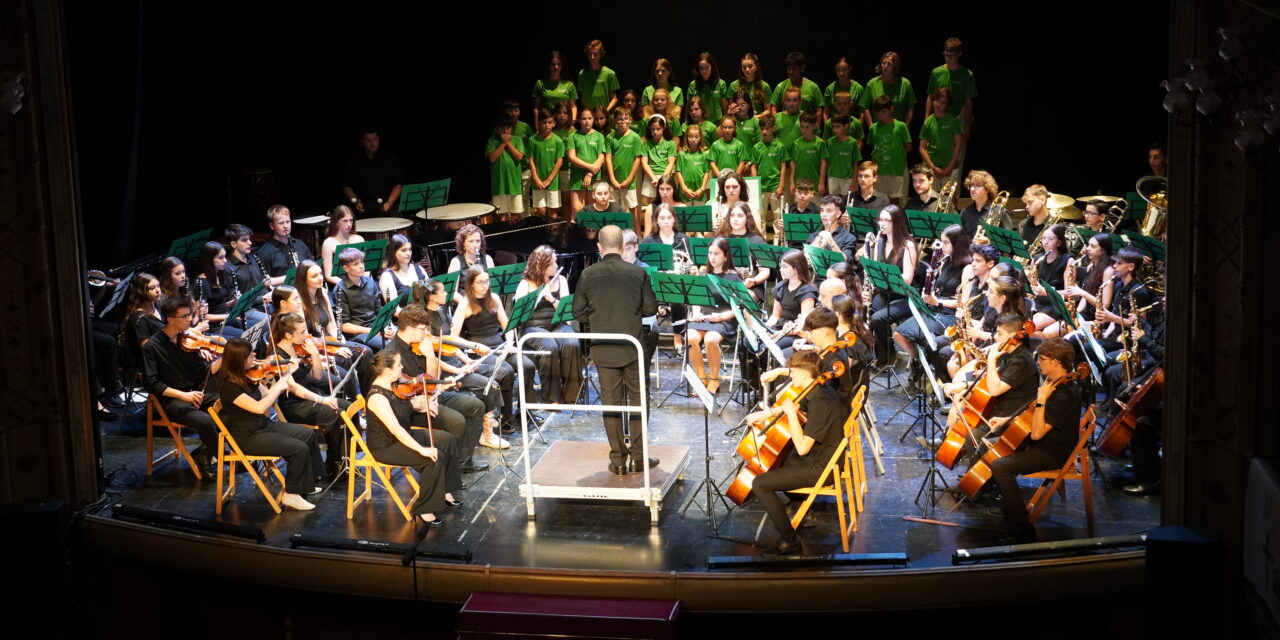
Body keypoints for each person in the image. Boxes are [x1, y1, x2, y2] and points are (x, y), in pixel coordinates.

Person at [572, 226, 659, 474]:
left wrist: (599, 314)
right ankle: (640, 458)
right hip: (632, 348)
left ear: (599, 247)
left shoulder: (588, 274)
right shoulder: (637, 273)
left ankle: (618, 461)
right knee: (638, 401)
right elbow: (650, 308)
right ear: (623, 247)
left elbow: (577, 312)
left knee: (611, 404)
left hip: (603, 349)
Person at [749, 350, 846, 555]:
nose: (790, 375)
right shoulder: (817, 388)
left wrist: (792, 415)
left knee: (760, 484)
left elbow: (802, 447)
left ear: (803, 372)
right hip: (820, 458)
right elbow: (794, 404)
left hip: (822, 467)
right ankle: (801, 505)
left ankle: (790, 541)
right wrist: (766, 414)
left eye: (792, 371)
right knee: (777, 461)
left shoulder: (820, 402)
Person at [988, 337, 1082, 543]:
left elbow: (1037, 434)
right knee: (994, 446)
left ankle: (1023, 530)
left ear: (1056, 362)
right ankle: (1007, 505)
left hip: (1053, 453)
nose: (1038, 362)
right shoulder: (1053, 383)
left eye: (1042, 359)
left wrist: (1041, 399)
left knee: (1001, 466)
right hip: (1042, 445)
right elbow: (1031, 412)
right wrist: (1007, 419)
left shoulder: (1066, 393)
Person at [215, 337, 323, 511]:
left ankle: (306, 484)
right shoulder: (228, 387)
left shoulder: (248, 376)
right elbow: (259, 407)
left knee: (307, 434)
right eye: (251, 355)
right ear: (240, 361)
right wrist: (282, 382)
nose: (255, 356)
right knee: (298, 448)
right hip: (248, 436)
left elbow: (267, 396)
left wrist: (285, 375)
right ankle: (291, 495)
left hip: (262, 426)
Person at [364, 349, 464, 525]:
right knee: (433, 458)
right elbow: (395, 429)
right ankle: (425, 510)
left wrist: (422, 404)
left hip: (404, 436)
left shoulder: (393, 386)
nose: (403, 369)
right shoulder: (377, 397)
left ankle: (446, 490)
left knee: (446, 439)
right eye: (399, 365)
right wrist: (422, 449)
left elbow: (406, 404)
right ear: (388, 370)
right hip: (387, 446)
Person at [385, 306, 492, 465]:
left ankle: (463, 462)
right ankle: (449, 468)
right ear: (409, 329)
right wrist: (429, 357)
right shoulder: (392, 354)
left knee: (476, 405)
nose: (426, 333)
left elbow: (433, 379)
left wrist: (430, 356)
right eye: (423, 329)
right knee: (456, 421)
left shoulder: (420, 343)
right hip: (413, 405)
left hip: (431, 395)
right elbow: (396, 397)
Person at [141, 296, 223, 474]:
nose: (190, 320)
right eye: (185, 316)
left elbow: (203, 372)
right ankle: (226, 457)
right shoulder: (151, 347)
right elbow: (152, 383)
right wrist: (183, 395)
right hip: (172, 401)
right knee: (207, 421)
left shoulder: (186, 341)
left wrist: (225, 357)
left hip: (193, 395)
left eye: (190, 315)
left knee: (230, 404)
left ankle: (203, 453)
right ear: (170, 319)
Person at [451, 266, 535, 438]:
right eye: (480, 282)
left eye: (487, 281)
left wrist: (510, 342)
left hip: (500, 346)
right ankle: (505, 418)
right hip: (480, 352)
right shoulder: (465, 304)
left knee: (528, 366)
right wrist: (475, 346)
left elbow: (507, 325)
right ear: (471, 284)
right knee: (507, 372)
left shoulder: (494, 298)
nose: (484, 285)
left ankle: (525, 412)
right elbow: (453, 337)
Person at [269, 312, 349, 478]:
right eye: (302, 332)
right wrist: (323, 399)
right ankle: (336, 463)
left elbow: (317, 376)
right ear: (289, 335)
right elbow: (293, 387)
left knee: (348, 407)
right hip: (294, 405)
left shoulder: (300, 348)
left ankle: (344, 458)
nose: (306, 335)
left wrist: (314, 354)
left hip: (309, 397)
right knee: (337, 414)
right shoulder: (277, 355)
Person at [513, 246, 584, 404]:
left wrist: (551, 298)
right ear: (541, 266)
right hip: (533, 326)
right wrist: (535, 297)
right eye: (552, 264)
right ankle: (552, 397)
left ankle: (571, 395)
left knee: (572, 343)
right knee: (549, 346)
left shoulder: (561, 280)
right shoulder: (526, 284)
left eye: (555, 263)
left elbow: (565, 312)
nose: (556, 266)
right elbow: (519, 314)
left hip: (556, 324)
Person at [858, 204, 920, 365]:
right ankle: (876, 353)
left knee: (878, 318)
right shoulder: (879, 241)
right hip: (885, 293)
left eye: (887, 220)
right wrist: (870, 290)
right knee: (863, 311)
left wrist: (886, 275)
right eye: (881, 220)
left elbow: (907, 278)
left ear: (897, 223)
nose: (882, 224)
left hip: (905, 296)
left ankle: (887, 357)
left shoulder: (908, 245)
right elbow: (874, 271)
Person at [687, 238, 742, 394]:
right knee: (690, 337)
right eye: (710, 253)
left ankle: (714, 379)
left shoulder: (734, 278)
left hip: (724, 319)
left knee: (711, 339)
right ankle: (701, 378)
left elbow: (739, 307)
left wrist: (722, 317)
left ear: (725, 256)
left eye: (717, 254)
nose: (712, 257)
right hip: (705, 317)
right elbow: (696, 299)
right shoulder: (703, 273)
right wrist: (696, 313)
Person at [333, 248, 389, 350]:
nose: (361, 266)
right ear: (346, 268)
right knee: (386, 344)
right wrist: (374, 331)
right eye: (356, 264)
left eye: (362, 262)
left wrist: (387, 326)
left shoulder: (371, 282)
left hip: (375, 328)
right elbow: (344, 326)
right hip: (357, 334)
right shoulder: (340, 290)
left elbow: (379, 311)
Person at [716, 201, 771, 302]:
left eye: (740, 216)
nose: (735, 219)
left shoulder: (757, 240)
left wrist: (753, 281)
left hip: (750, 285)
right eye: (732, 215)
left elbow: (765, 271)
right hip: (724, 282)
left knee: (740, 298)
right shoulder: (720, 239)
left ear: (747, 219)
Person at [926, 38, 977, 143]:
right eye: (946, 54)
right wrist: (926, 120)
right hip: (939, 115)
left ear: (959, 54)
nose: (948, 58)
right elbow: (931, 97)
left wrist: (967, 128)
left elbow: (968, 102)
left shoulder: (967, 75)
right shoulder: (936, 73)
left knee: (957, 153)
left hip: (958, 117)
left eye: (951, 55)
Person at [342, 127, 403, 216]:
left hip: (386, 204)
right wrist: (356, 203)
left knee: (397, 217)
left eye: (374, 139)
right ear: (362, 142)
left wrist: (390, 203)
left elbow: (398, 184)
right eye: (368, 140)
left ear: (378, 139)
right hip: (363, 206)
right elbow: (347, 186)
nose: (372, 143)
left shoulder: (390, 158)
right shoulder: (353, 161)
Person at [765, 250, 818, 350]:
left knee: (769, 348)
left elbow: (803, 324)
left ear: (796, 268)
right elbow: (775, 316)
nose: (781, 270)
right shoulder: (780, 287)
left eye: (785, 267)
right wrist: (765, 328)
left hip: (795, 332)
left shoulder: (807, 292)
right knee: (750, 342)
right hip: (780, 328)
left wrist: (782, 333)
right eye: (781, 266)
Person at [191, 241, 244, 339]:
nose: (225, 261)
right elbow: (202, 316)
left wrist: (232, 303)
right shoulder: (202, 282)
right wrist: (228, 316)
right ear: (209, 260)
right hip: (213, 327)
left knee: (251, 330)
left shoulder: (220, 274)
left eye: (225, 256)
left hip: (225, 320)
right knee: (244, 337)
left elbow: (217, 305)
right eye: (220, 258)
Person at [866, 96, 912, 205]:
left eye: (884, 112)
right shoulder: (873, 128)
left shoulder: (901, 126)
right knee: (880, 200)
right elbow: (872, 146)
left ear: (891, 109)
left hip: (896, 169)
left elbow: (909, 147)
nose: (881, 116)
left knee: (895, 200)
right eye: (879, 113)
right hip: (880, 170)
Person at [224, 224, 272, 328]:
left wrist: (269, 289)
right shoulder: (228, 267)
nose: (250, 243)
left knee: (289, 313)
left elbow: (261, 286)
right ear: (233, 244)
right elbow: (236, 300)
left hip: (263, 304)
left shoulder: (253, 259)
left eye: (249, 239)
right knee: (273, 322)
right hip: (247, 309)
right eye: (244, 240)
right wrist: (263, 298)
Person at [605, 106, 643, 227]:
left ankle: (636, 236)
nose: (623, 121)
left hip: (629, 181)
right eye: (620, 119)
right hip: (613, 181)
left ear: (630, 120)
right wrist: (612, 179)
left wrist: (629, 179)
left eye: (626, 118)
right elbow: (608, 158)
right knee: (613, 208)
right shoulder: (610, 137)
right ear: (615, 120)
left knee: (632, 209)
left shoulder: (635, 137)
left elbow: (638, 159)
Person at [918, 88, 965, 187]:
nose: (939, 105)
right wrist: (932, 167)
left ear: (947, 104)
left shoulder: (954, 121)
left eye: (943, 102)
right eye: (937, 101)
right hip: (932, 166)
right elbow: (922, 148)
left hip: (950, 167)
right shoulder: (928, 121)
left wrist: (950, 166)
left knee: (950, 197)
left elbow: (958, 144)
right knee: (931, 197)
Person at [255, 205, 313, 285]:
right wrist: (293, 276)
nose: (286, 226)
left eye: (288, 222)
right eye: (281, 223)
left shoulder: (300, 245)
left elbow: (312, 268)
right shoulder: (264, 252)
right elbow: (264, 282)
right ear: (272, 226)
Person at [752, 114, 790, 229]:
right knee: (760, 217)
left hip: (775, 188)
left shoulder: (779, 146)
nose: (764, 131)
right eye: (762, 128)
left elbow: (783, 166)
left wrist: (781, 186)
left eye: (767, 128)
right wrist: (755, 185)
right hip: (761, 189)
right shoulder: (757, 147)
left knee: (778, 217)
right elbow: (753, 166)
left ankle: (778, 242)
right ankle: (760, 242)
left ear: (773, 128)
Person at [859, 51, 915, 128]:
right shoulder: (872, 83)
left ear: (895, 66)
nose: (885, 66)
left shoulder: (905, 83)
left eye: (889, 64)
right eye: (883, 63)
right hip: (878, 131)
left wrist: (905, 126)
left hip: (897, 131)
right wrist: (871, 127)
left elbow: (910, 107)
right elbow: (864, 107)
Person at [486, 111, 526, 219]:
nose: (505, 131)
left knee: (516, 214)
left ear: (511, 128)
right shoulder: (492, 141)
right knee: (501, 215)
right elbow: (492, 158)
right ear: (497, 129)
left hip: (514, 185)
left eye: (508, 128)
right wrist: (503, 144)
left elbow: (519, 157)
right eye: (502, 128)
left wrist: (509, 143)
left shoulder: (517, 140)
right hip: (499, 186)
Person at [566, 108, 607, 215]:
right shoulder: (573, 136)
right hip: (577, 178)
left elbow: (601, 158)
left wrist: (589, 174)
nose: (587, 121)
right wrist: (590, 166)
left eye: (589, 118)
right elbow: (572, 157)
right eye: (584, 118)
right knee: (578, 211)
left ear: (593, 119)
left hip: (594, 177)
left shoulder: (599, 136)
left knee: (593, 211)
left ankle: (593, 232)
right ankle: (577, 232)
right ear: (579, 120)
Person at [528, 109, 567, 218]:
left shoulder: (558, 141)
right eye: (544, 122)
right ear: (539, 123)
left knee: (553, 211)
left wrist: (549, 180)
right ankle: (541, 234)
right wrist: (536, 178)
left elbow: (559, 162)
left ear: (554, 123)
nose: (546, 125)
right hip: (538, 182)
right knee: (540, 210)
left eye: (549, 122)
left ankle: (553, 234)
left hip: (552, 183)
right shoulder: (532, 140)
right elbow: (531, 159)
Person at [771, 52, 824, 124]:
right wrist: (778, 124)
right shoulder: (780, 86)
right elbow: (774, 109)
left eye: (794, 69)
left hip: (806, 130)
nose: (791, 72)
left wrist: (815, 129)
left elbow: (819, 110)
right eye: (789, 69)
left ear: (802, 68)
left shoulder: (813, 87)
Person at [378, 234, 428, 310]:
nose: (408, 254)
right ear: (393, 252)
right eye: (403, 250)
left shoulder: (419, 269)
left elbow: (430, 291)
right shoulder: (387, 276)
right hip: (404, 320)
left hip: (424, 315)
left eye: (410, 249)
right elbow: (394, 309)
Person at [639, 115, 677, 213]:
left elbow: (671, 163)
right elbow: (644, 163)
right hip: (650, 177)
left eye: (658, 129)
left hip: (665, 177)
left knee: (667, 206)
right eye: (653, 129)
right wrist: (654, 178)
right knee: (652, 208)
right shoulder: (646, 144)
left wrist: (661, 180)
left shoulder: (670, 144)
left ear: (664, 127)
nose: (655, 132)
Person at [319, 205, 365, 287]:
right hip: (340, 285)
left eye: (351, 221)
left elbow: (366, 268)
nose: (349, 224)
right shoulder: (328, 243)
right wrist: (348, 284)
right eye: (345, 221)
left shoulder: (359, 239)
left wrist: (364, 281)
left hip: (360, 282)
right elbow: (328, 275)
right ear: (336, 222)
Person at [808, 194, 858, 262]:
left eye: (829, 211)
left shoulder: (849, 238)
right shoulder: (813, 236)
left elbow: (846, 260)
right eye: (822, 210)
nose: (824, 214)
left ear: (838, 214)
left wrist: (831, 242)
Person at [533, 50, 578, 123]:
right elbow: (536, 108)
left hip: (564, 124)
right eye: (553, 64)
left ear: (562, 66)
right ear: (548, 65)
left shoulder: (569, 84)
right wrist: (537, 126)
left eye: (559, 64)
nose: (556, 67)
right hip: (547, 124)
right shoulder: (540, 83)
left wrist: (572, 123)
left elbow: (573, 107)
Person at [959, 169, 1008, 236]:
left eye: (977, 186)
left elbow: (1007, 241)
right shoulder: (965, 212)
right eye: (971, 186)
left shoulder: (999, 212)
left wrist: (988, 241)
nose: (972, 189)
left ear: (987, 189)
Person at [577, 40, 619, 116]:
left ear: (601, 54)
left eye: (595, 54)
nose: (592, 57)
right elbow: (582, 99)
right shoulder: (582, 74)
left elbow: (614, 98)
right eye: (590, 54)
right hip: (588, 116)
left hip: (603, 116)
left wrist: (605, 112)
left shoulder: (610, 73)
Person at [790, 112, 827, 196]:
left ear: (814, 126)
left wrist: (821, 183)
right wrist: (791, 182)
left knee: (815, 208)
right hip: (799, 185)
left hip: (815, 184)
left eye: (807, 127)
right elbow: (793, 163)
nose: (804, 130)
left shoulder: (820, 143)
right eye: (802, 127)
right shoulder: (796, 143)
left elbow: (823, 164)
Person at [687, 51, 729, 124]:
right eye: (701, 68)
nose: (704, 71)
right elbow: (689, 108)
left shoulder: (721, 84)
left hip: (717, 124)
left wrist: (724, 123)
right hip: (699, 124)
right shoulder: (693, 85)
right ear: (698, 69)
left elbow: (725, 108)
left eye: (707, 67)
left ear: (712, 67)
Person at [825, 114, 861, 199]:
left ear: (846, 126)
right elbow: (827, 163)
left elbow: (856, 164)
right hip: (832, 178)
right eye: (833, 127)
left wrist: (854, 183)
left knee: (846, 203)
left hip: (847, 179)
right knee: (833, 203)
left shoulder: (852, 143)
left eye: (838, 127)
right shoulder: (830, 142)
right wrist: (826, 182)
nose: (835, 130)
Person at [675, 121, 711, 205]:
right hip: (685, 192)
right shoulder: (682, 155)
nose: (694, 139)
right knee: (686, 214)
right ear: (686, 137)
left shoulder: (704, 155)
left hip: (700, 192)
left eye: (696, 137)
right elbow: (678, 172)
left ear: (700, 138)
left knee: (699, 215)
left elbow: (706, 172)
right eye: (690, 136)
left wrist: (702, 189)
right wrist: (684, 188)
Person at [824, 57, 864, 124]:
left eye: (844, 70)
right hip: (835, 124)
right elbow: (825, 112)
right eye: (838, 70)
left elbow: (862, 112)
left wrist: (857, 127)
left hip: (852, 123)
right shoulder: (830, 88)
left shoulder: (858, 88)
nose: (841, 73)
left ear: (849, 69)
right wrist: (829, 127)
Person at [641, 174, 681, 239]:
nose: (665, 192)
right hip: (658, 245)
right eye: (661, 189)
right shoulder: (650, 208)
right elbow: (647, 235)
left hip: (677, 243)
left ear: (674, 190)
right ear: (658, 190)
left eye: (668, 189)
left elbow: (686, 235)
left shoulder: (682, 207)